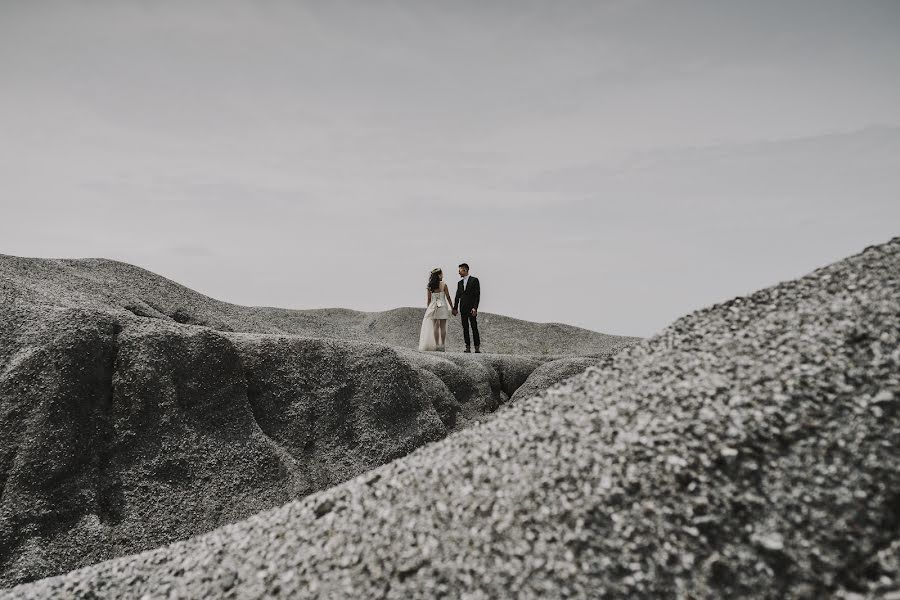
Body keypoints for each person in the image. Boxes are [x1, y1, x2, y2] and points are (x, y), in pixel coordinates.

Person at [418, 267, 453, 352]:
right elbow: (448, 297)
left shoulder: (430, 286)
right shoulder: (444, 284)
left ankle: (437, 344)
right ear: (439, 275)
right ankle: (443, 345)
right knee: (443, 326)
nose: (442, 275)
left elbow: (429, 299)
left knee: (435, 327)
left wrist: (428, 308)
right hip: (443, 305)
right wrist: (452, 307)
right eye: (441, 274)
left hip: (433, 306)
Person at [452, 263, 481, 353]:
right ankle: (467, 347)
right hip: (463, 308)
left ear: (465, 270)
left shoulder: (474, 280)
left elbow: (477, 296)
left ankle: (477, 347)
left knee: (474, 327)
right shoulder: (459, 283)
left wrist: (475, 308)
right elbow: (457, 296)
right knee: (465, 327)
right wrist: (455, 308)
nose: (458, 272)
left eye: (460, 270)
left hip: (471, 309)